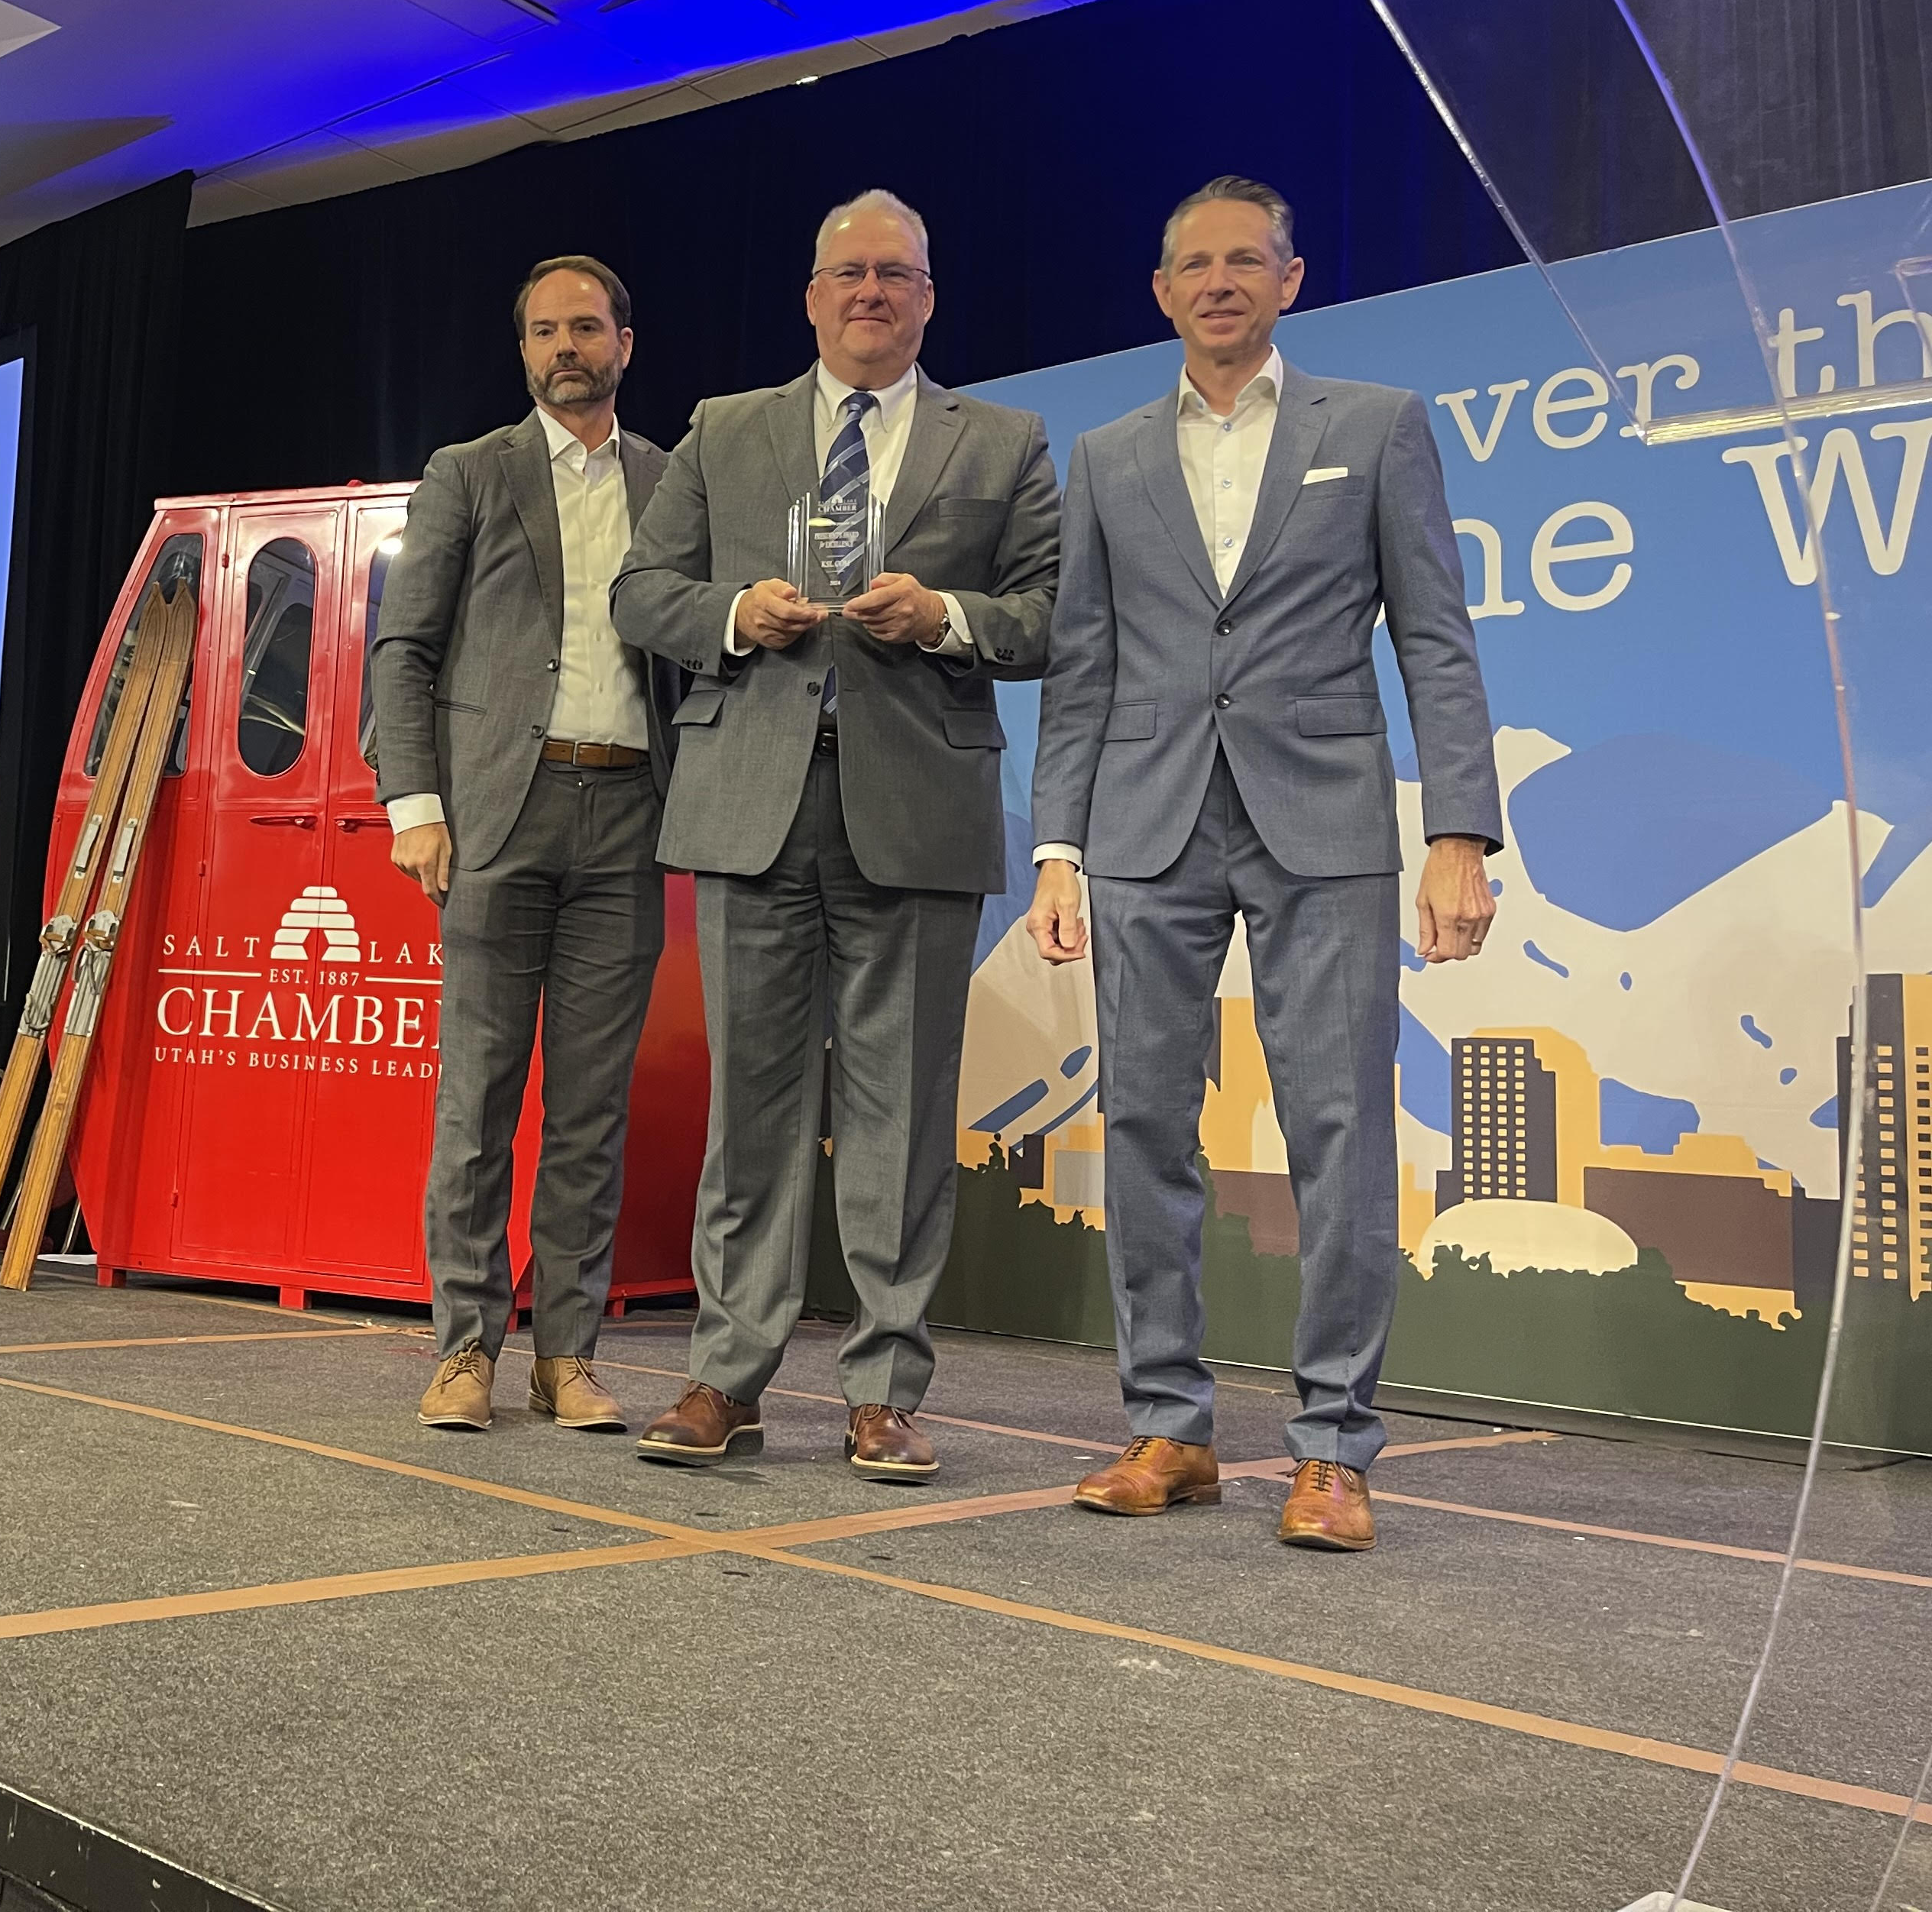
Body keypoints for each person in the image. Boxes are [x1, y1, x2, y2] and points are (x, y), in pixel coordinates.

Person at [1025, 175, 1500, 1553]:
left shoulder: (1377, 427)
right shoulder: (1107, 454)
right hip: (1146, 821)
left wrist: (1457, 828)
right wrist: (1057, 843)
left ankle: (1335, 1446)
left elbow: (1434, 637)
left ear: (1290, 280)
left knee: (1340, 1126)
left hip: (1324, 816)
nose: (1221, 279)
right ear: (1162, 290)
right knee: (1143, 1126)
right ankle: (1167, 1425)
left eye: (1248, 258)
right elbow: (1081, 668)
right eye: (1195, 262)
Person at [612, 190, 1059, 1480]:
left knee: (903, 1117)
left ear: (929, 295)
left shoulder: (1007, 440)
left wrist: (946, 614)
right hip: (754, 800)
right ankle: (725, 1374)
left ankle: (883, 1387)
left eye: (897, 274)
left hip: (915, 809)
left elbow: (1047, 615)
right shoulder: (724, 428)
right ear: (811, 294)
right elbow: (643, 592)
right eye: (849, 273)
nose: (872, 292)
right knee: (747, 1111)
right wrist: (735, 614)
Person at [373, 255, 673, 1436]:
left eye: (586, 327)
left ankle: (571, 1357)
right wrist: (416, 806)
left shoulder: (670, 478)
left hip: (631, 814)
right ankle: (463, 1351)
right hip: (500, 813)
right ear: (524, 351)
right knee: (479, 1102)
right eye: (545, 331)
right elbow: (404, 649)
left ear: (624, 344)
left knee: (593, 1110)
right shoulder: (471, 473)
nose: (566, 348)